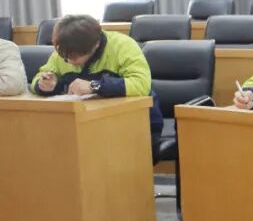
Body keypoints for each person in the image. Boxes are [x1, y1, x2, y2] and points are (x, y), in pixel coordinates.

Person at [31, 14, 163, 150]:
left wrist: (94, 86)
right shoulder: (65, 51)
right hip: (87, 125)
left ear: (96, 45)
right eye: (64, 57)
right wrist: (44, 85)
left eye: (74, 58)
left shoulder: (123, 46)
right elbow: (39, 77)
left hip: (135, 124)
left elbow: (141, 84)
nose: (68, 61)